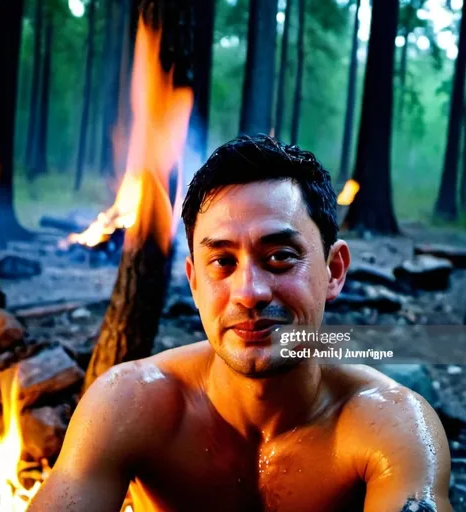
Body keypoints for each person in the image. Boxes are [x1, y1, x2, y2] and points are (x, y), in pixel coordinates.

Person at [28, 135, 451, 512]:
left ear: (334, 270)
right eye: (222, 262)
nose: (249, 292)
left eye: (281, 257)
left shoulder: (391, 426)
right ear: (194, 283)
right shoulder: (129, 405)